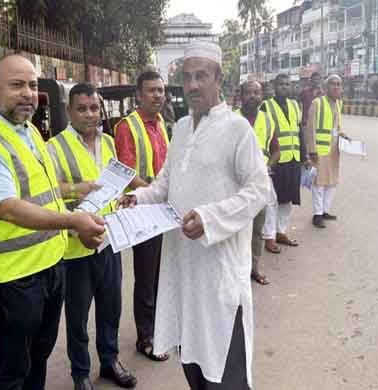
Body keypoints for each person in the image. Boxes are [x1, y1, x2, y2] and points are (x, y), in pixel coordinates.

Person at [120, 41, 273, 390]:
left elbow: (259, 188)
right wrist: (138, 197)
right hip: (184, 270)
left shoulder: (238, 130)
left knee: (225, 370)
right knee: (193, 364)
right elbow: (166, 182)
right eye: (187, 77)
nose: (192, 85)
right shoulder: (182, 129)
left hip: (219, 272)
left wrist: (210, 218)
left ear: (219, 79)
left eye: (201, 76)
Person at [0, 54, 106, 390]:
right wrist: (73, 221)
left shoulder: (31, 132)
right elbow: (9, 208)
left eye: (33, 85)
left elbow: (44, 193)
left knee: (39, 357)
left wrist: (78, 203)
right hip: (14, 279)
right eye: (17, 85)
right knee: (13, 370)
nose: (27, 93)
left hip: (50, 267)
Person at [47, 84, 138, 390]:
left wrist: (127, 197)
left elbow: (116, 182)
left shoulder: (109, 143)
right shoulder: (55, 147)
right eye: (82, 109)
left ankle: (110, 361)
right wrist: (77, 188)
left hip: (111, 238)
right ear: (70, 112)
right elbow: (49, 189)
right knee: (77, 316)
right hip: (76, 247)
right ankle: (81, 373)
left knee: (111, 306)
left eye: (94, 108)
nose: (89, 114)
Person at [114, 70, 170, 362]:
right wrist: (155, 192)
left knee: (163, 273)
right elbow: (126, 174)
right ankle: (145, 337)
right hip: (144, 210)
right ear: (138, 94)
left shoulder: (161, 123)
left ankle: (161, 328)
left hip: (164, 209)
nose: (158, 95)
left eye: (160, 90)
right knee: (147, 277)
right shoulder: (128, 126)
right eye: (151, 90)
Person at [236, 80, 280, 286]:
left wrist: (269, 165)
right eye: (248, 92)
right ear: (241, 95)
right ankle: (235, 270)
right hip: (234, 184)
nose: (253, 96)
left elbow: (276, 151)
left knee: (257, 228)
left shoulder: (268, 120)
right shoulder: (231, 119)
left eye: (257, 92)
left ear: (261, 96)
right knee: (235, 228)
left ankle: (254, 269)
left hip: (259, 184)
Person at [261, 74, 307, 250]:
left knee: (288, 200)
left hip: (293, 159)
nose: (285, 87)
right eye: (281, 84)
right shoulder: (266, 106)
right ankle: (269, 237)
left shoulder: (295, 105)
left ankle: (281, 231)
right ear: (274, 86)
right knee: (272, 201)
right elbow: (264, 133)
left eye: (288, 84)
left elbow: (299, 132)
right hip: (276, 161)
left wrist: (305, 157)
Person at [305, 75, 350, 228]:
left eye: (339, 84)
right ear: (326, 87)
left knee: (332, 181)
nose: (337, 87)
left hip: (334, 149)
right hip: (320, 149)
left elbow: (337, 127)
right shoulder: (317, 103)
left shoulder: (338, 104)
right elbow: (310, 129)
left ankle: (325, 210)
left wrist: (343, 135)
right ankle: (317, 214)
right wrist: (312, 150)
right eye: (333, 84)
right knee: (319, 182)